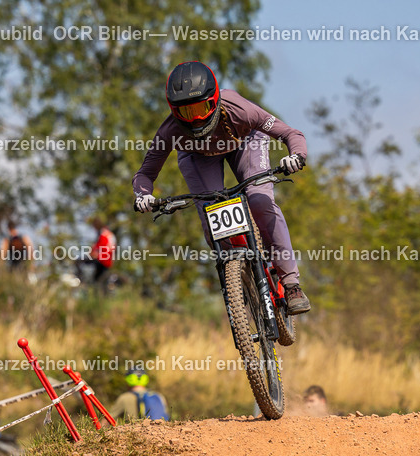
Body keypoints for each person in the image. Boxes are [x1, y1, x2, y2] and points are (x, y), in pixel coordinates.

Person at [132, 61, 311, 314]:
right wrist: (143, 195)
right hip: (197, 157)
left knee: (259, 201)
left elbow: (291, 134)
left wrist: (296, 156)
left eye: (200, 108)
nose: (194, 119)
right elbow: (145, 174)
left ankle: (291, 283)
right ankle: (239, 277)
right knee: (211, 214)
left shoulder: (240, 109)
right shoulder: (169, 131)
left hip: (245, 142)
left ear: (214, 99)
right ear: (173, 111)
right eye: (185, 112)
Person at [75, 217, 115, 284]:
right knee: (97, 280)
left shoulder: (103, 234)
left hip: (102, 260)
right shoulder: (107, 233)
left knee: (78, 261)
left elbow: (100, 248)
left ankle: (80, 280)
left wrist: (92, 254)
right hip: (106, 261)